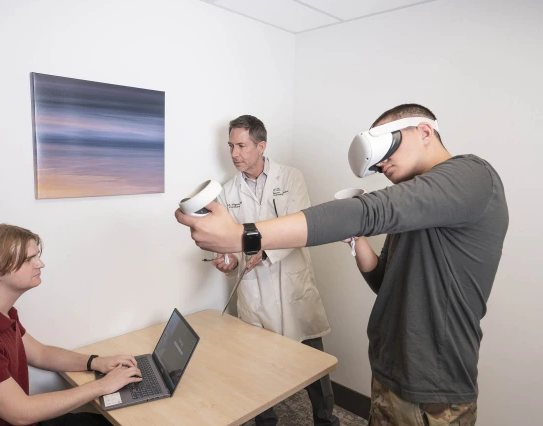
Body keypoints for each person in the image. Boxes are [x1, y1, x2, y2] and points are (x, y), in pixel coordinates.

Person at [176, 104, 509, 426]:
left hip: (434, 384)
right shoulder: (417, 208)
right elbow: (383, 280)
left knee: (312, 369)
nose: (382, 166)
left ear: (424, 131)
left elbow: (368, 212)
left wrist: (241, 235)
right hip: (389, 370)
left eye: (387, 151)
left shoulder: (472, 174)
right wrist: (356, 239)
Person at [211, 115, 339, 426]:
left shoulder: (291, 178)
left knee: (313, 364)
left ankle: (326, 420)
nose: (234, 153)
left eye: (241, 145)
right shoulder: (227, 192)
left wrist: (266, 252)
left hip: (294, 288)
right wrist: (228, 261)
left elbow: (302, 228)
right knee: (256, 369)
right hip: (255, 294)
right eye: (231, 145)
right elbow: (228, 246)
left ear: (261, 145)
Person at [0, 224, 143, 426]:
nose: (40, 264)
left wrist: (96, 362)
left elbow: (41, 353)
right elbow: (21, 413)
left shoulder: (1, 312)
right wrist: (102, 386)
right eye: (28, 259)